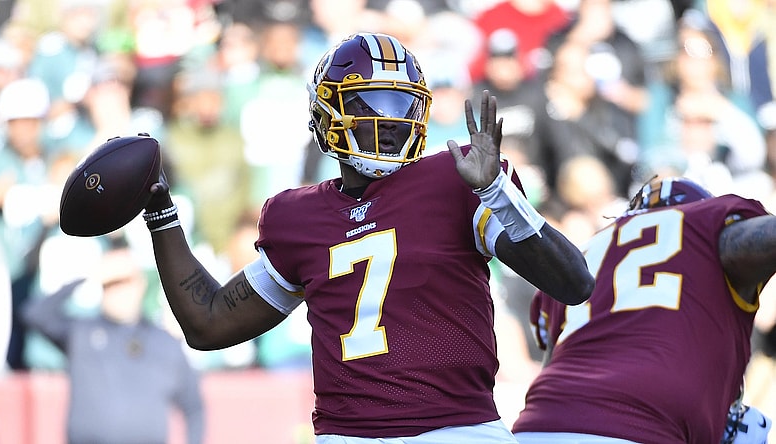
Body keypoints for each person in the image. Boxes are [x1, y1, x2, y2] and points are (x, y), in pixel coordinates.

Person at [141, 32, 594, 442]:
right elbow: (209, 323)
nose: (390, 121)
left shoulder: (454, 180)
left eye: (402, 106)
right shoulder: (296, 216)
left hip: (458, 429)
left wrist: (495, 193)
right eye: (370, 104)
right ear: (326, 113)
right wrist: (161, 212)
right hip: (350, 436)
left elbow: (573, 283)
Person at [511, 176, 776, 443]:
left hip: (537, 424)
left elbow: (550, 361)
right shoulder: (707, 230)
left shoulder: (578, 256)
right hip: (644, 425)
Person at [22, 239, 205, 444]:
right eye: (111, 284)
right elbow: (34, 314)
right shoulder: (82, 332)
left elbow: (194, 407)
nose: (119, 291)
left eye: (125, 281)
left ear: (140, 284)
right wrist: (88, 275)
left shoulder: (164, 342)